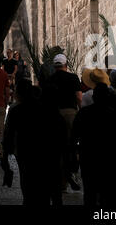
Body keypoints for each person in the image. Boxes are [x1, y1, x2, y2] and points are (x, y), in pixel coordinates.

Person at [3, 79, 64, 205]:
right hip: (45, 155)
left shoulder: (16, 111)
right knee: (45, 193)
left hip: (25, 155)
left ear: (18, 94)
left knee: (28, 191)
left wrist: (6, 166)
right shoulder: (45, 109)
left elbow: (8, 138)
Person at [44, 53, 82, 191]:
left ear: (55, 66)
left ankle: (62, 183)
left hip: (54, 115)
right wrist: (81, 111)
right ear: (66, 65)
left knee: (57, 147)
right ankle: (71, 172)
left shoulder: (49, 79)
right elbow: (78, 97)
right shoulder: (73, 78)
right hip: (70, 114)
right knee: (71, 145)